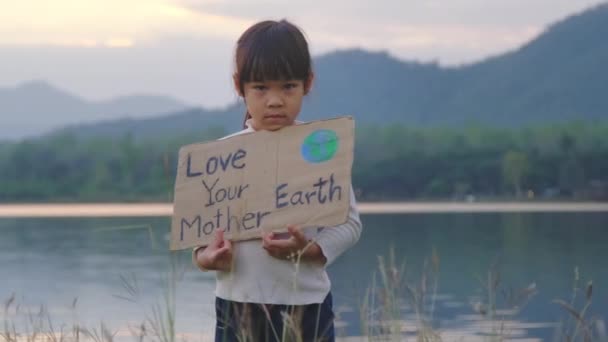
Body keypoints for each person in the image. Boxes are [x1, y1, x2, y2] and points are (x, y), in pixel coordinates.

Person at [192, 19, 362, 342]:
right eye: (260, 88)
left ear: (307, 83)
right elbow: (200, 241)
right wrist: (206, 258)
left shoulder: (321, 149)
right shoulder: (223, 157)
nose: (274, 100)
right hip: (236, 306)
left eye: (288, 87)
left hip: (306, 305)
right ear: (239, 85)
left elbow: (350, 224)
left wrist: (312, 250)